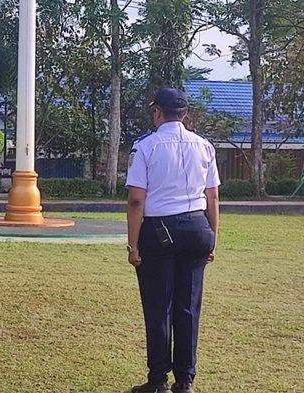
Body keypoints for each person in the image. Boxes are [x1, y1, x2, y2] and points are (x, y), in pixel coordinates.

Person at [125, 88, 220, 393]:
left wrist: (134, 245)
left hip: (160, 230)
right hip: (197, 227)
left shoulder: (145, 148)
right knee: (188, 306)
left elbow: (136, 200)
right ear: (185, 114)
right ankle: (185, 379)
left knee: (158, 306)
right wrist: (212, 239)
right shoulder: (205, 146)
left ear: (157, 112)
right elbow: (213, 196)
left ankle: (157, 380)